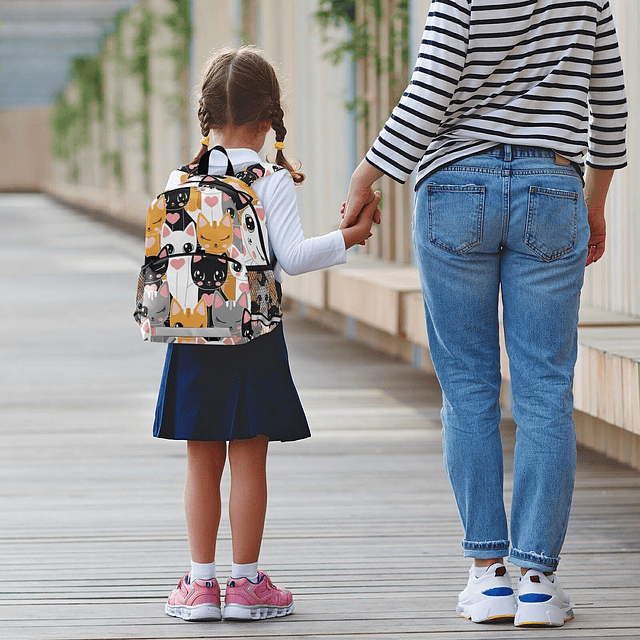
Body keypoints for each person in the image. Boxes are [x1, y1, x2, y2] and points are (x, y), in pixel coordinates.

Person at [342, 0, 626, 628]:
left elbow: (431, 88)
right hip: (553, 185)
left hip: (455, 186)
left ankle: (488, 578)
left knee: (468, 386)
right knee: (545, 388)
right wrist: (595, 202)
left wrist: (366, 176)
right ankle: (538, 584)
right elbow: (609, 110)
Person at [154, 45, 380, 622]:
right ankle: (248, 583)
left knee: (200, 459)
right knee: (249, 457)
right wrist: (349, 238)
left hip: (193, 333)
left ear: (205, 117)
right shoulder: (269, 177)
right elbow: (296, 258)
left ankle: (201, 587)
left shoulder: (181, 177)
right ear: (267, 121)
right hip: (255, 335)